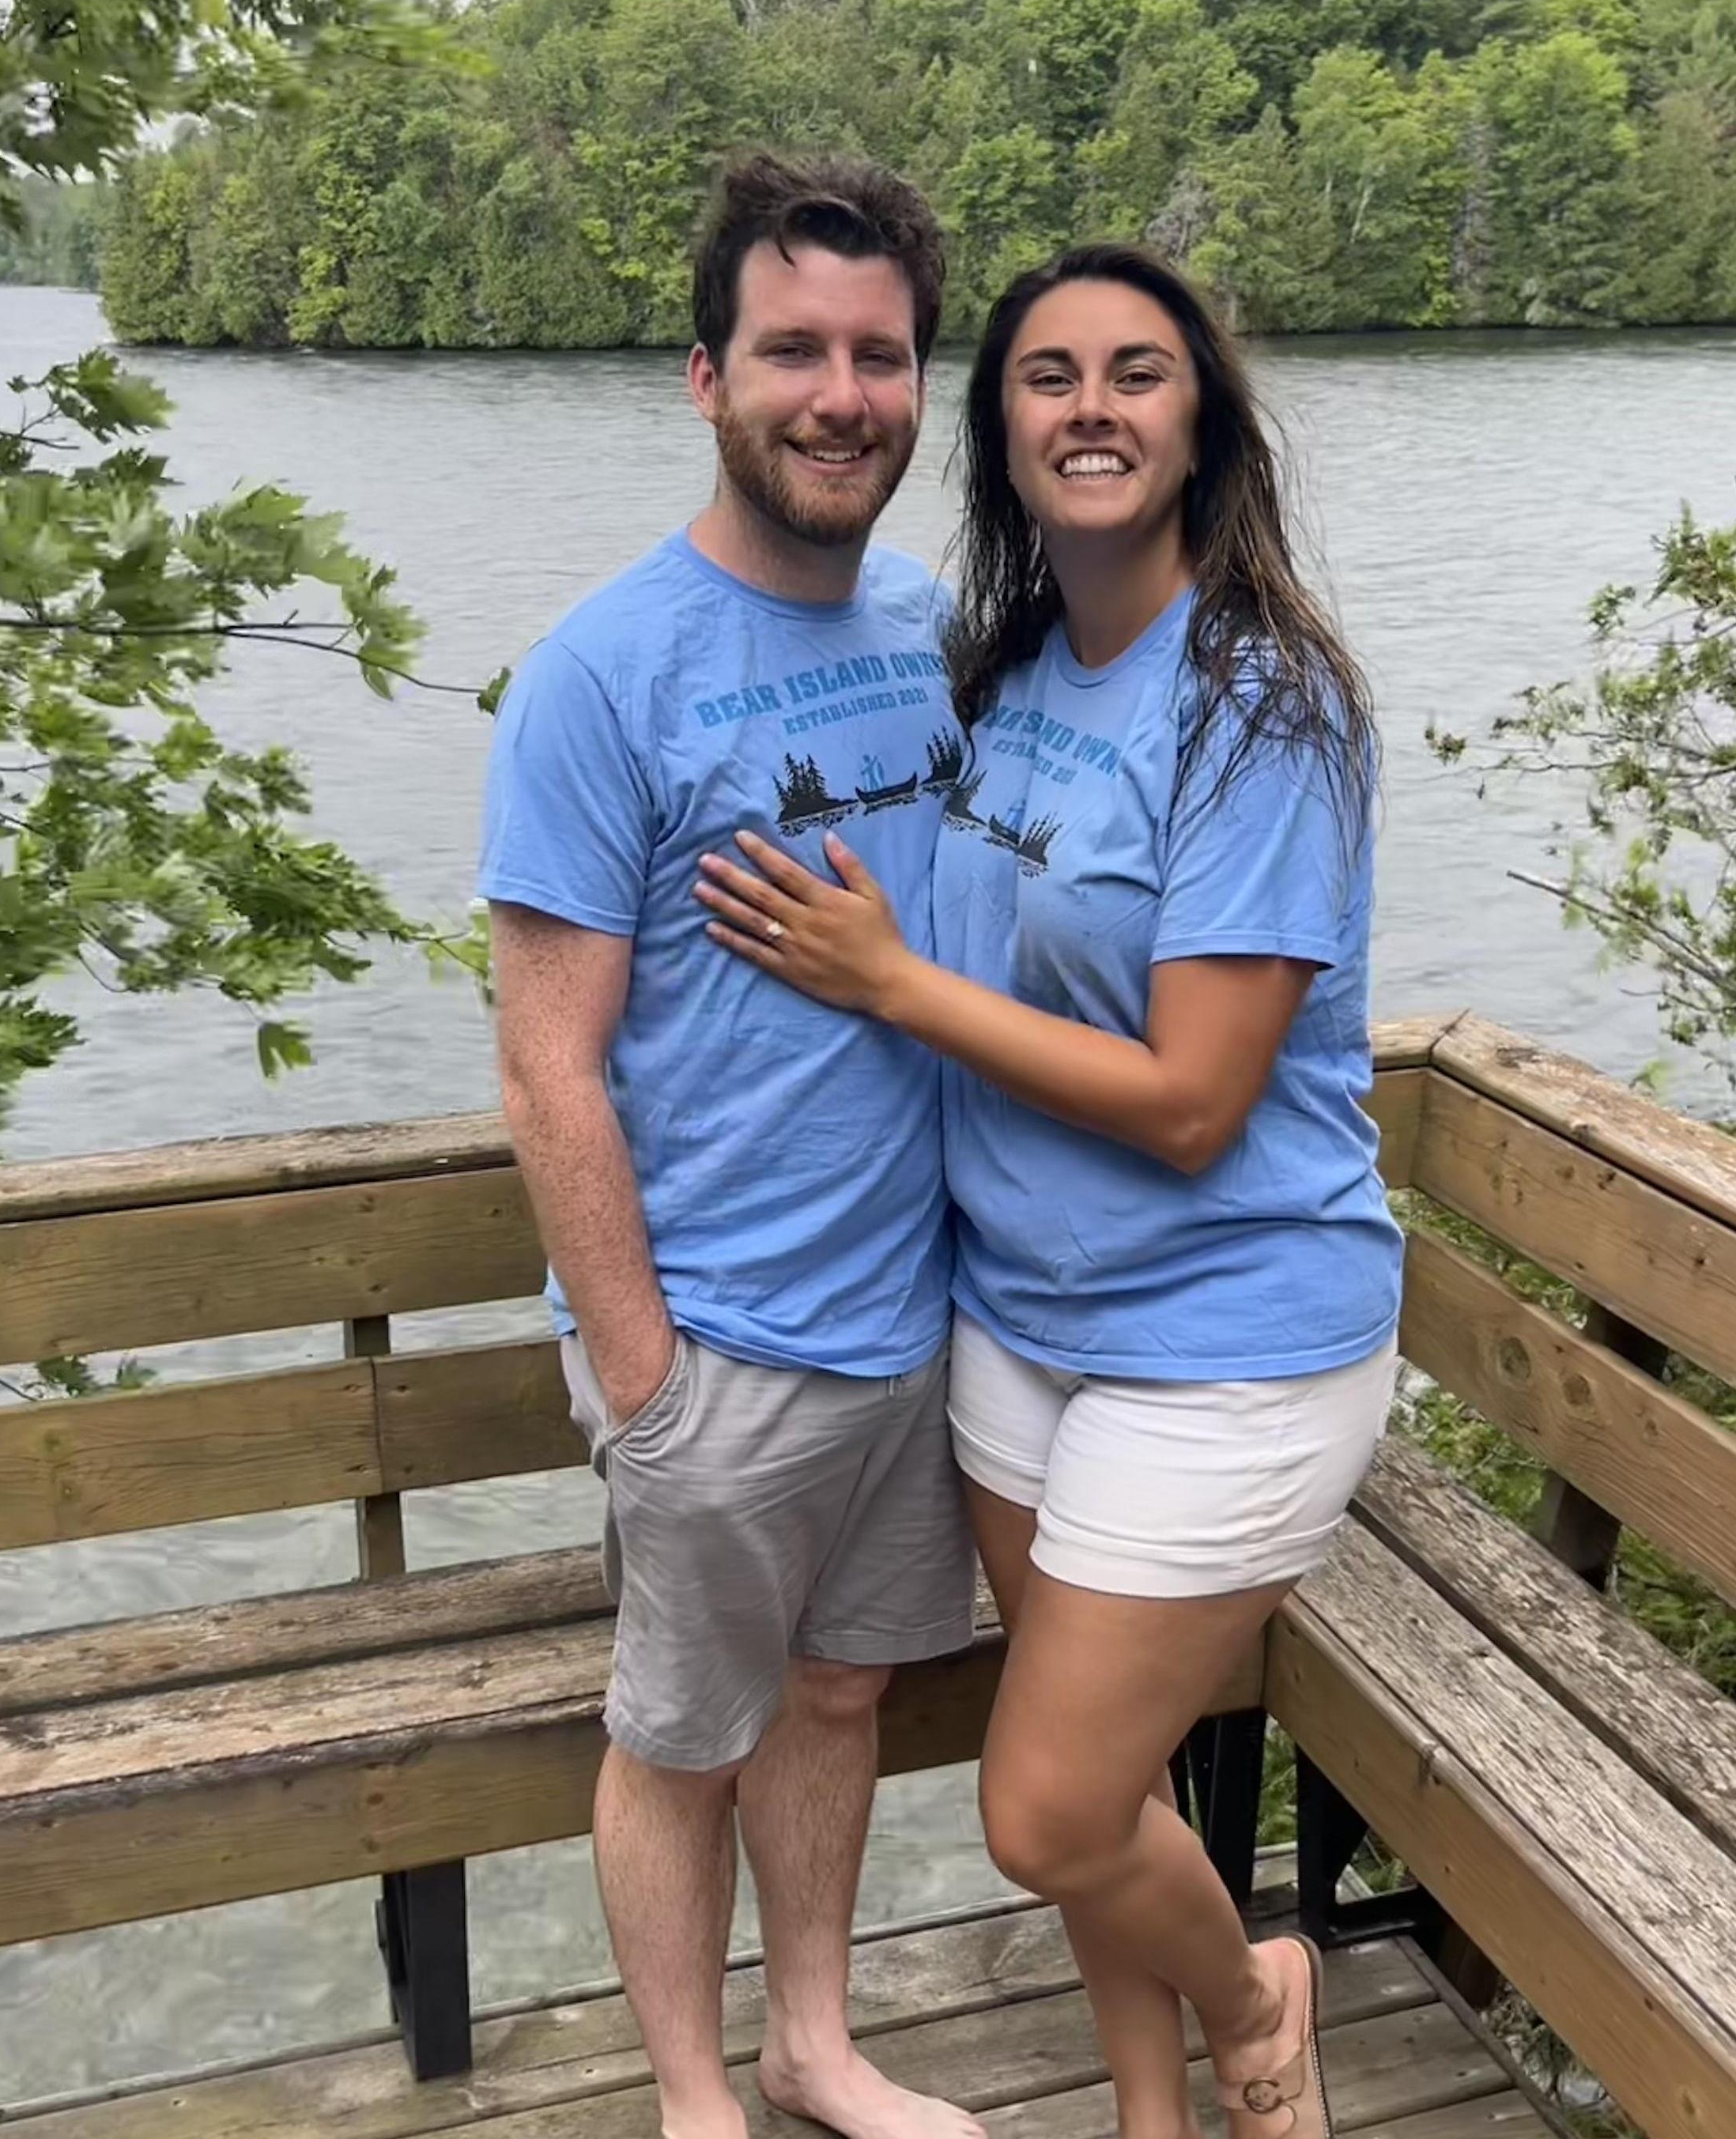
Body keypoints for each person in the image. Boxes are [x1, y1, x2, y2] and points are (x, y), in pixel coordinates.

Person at [696, 243, 1405, 2139]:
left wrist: (888, 983)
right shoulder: (997, 677)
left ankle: (1260, 1995)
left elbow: (1191, 1101)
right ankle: (1154, 2119)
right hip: (1018, 1323)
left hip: (1229, 1340)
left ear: (1202, 424)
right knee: (1120, 1797)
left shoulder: (1265, 703)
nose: (1091, 407)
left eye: (1138, 373)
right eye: (1047, 377)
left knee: (1049, 1810)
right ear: (995, 429)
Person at [477, 153, 980, 2139]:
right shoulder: (602, 673)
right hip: (721, 1345)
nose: (839, 393)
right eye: (794, 349)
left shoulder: (936, 620)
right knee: (679, 1739)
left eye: (878, 354)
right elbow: (546, 1065)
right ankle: (696, 2095)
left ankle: (817, 2043)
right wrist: (642, 1377)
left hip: (916, 1318)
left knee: (844, 1695)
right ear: (706, 375)